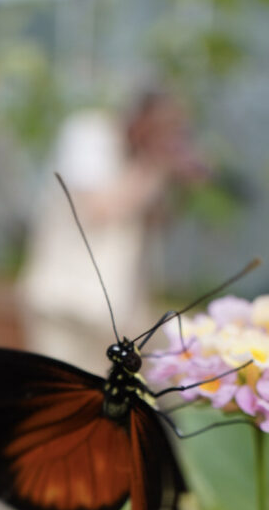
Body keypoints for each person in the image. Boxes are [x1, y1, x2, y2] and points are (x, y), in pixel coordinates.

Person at [21, 91, 209, 371]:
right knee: (60, 389)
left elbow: (155, 223)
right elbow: (99, 209)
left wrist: (179, 186)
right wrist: (158, 164)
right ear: (143, 118)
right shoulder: (89, 133)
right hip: (66, 306)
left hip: (111, 316)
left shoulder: (140, 161)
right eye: (164, 129)